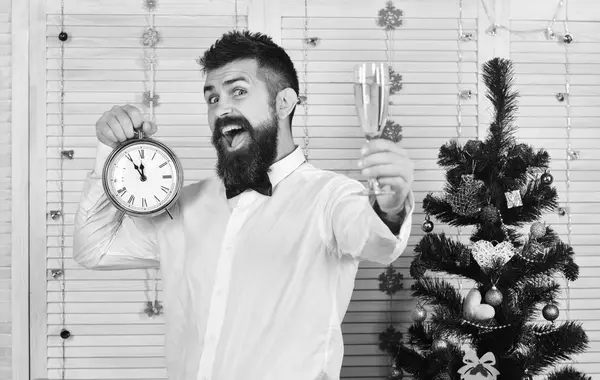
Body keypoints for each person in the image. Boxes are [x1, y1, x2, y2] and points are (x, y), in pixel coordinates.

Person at [73, 30, 415, 380]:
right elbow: (94, 248)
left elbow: (377, 241)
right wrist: (109, 152)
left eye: (238, 91)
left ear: (284, 103)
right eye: (211, 98)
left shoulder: (331, 197)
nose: (221, 108)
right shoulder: (183, 205)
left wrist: (390, 207)